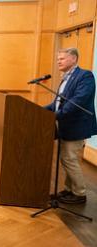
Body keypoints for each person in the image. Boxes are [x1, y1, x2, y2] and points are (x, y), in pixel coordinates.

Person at [45, 47, 97, 204]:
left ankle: (80, 193)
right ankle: (69, 190)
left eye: (62, 58)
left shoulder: (85, 76)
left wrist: (56, 115)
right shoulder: (65, 78)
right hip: (66, 125)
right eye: (58, 59)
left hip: (77, 126)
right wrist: (40, 111)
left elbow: (78, 101)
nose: (58, 61)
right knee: (67, 158)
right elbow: (57, 103)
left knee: (69, 159)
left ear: (74, 59)